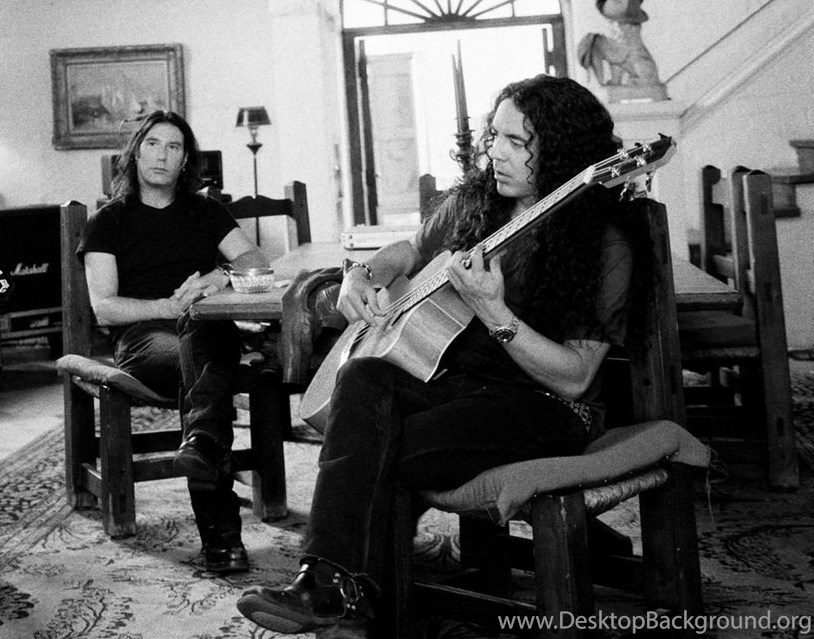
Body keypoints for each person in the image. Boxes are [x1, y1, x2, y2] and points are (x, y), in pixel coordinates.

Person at [238, 74, 642, 635]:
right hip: (453, 384)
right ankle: (338, 586)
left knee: (370, 446)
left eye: (518, 142)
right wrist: (362, 274)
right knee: (362, 376)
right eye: (495, 136)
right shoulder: (477, 204)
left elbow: (575, 378)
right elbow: (408, 250)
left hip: (545, 405)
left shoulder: (603, 244)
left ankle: (344, 592)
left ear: (564, 152)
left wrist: (494, 311)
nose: (496, 153)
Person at [78, 110, 273, 575]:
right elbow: (105, 308)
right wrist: (168, 306)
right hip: (144, 341)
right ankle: (221, 529)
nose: (162, 155)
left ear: (186, 160)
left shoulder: (205, 211)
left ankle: (201, 444)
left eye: (173, 147)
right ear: (135, 154)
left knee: (204, 335)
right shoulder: (108, 221)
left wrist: (216, 278)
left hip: (204, 330)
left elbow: (255, 260)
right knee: (201, 368)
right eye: (152, 144)